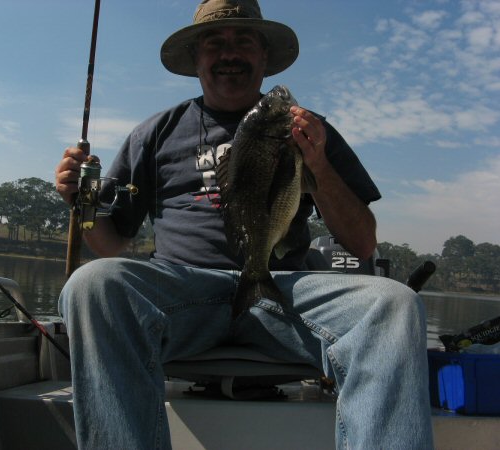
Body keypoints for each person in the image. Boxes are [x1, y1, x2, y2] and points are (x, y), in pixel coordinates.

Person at [55, 0, 434, 448]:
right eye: (214, 43)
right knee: (91, 284)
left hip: (285, 290)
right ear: (196, 60)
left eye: (244, 41)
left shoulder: (309, 130)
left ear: (264, 58)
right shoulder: (155, 132)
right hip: (184, 292)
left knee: (395, 303)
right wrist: (81, 206)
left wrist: (319, 166)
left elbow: (362, 242)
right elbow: (112, 245)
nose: (228, 53)